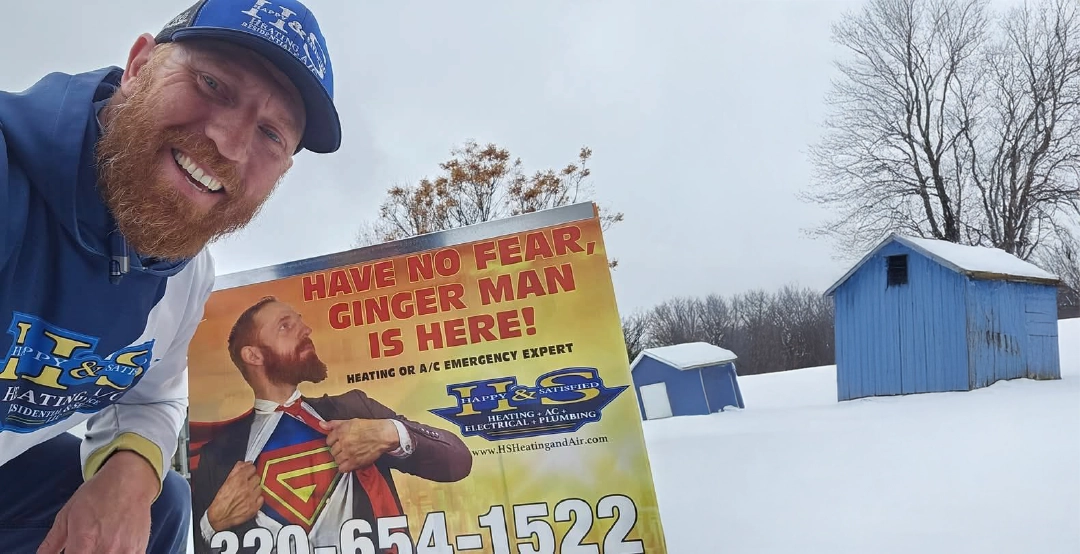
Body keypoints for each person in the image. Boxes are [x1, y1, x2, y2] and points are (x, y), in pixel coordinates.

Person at [0, 0, 341, 552]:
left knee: (160, 501)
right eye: (211, 83)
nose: (230, 144)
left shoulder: (187, 276)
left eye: (271, 134)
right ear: (137, 67)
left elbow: (153, 400)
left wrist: (130, 473)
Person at [189, 296, 472, 553]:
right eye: (286, 326)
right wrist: (211, 525)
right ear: (254, 356)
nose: (306, 330)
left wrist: (389, 433)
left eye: (300, 321)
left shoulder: (353, 409)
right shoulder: (218, 454)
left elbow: (458, 460)